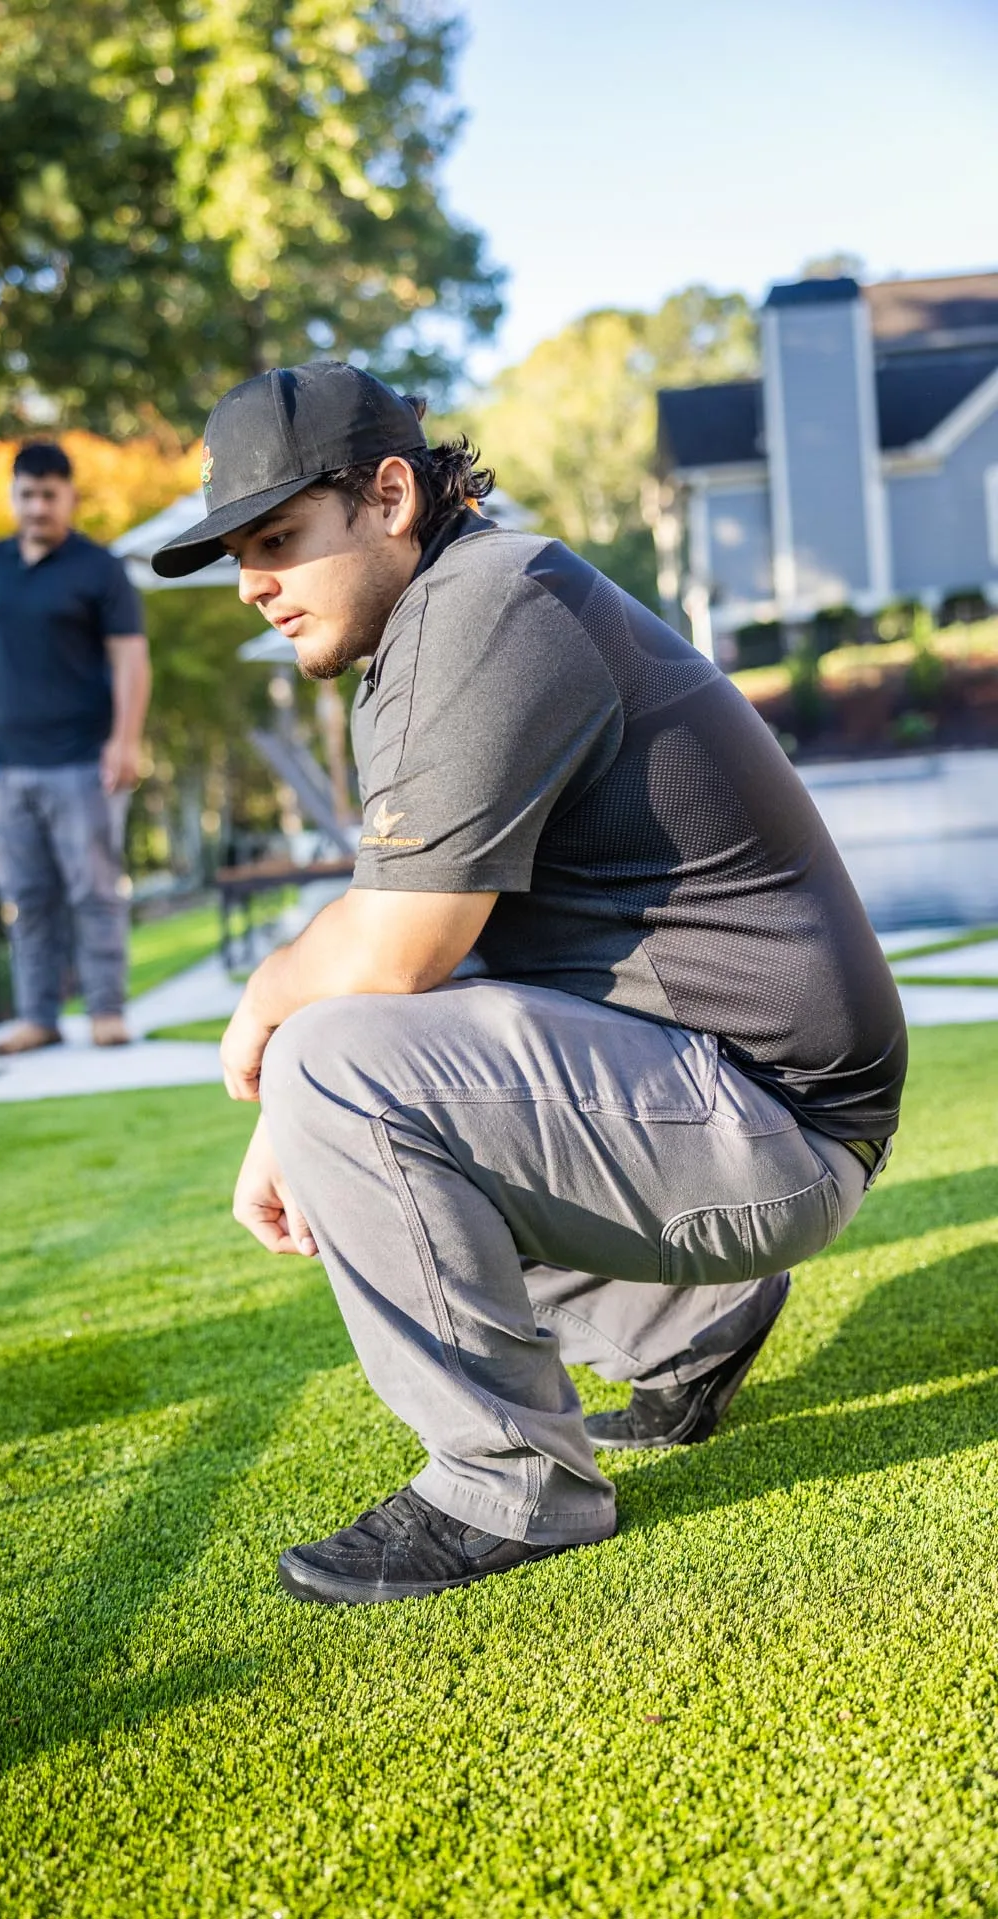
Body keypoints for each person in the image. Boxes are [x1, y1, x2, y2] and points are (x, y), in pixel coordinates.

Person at [151, 362, 908, 1607]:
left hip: (775, 1118)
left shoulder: (489, 609)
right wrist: (295, 1109)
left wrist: (268, 1019)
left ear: (388, 496)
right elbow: (410, 954)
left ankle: (509, 1488)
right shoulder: (431, 629)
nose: (252, 585)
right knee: (335, 1060)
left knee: (332, 1059)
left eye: (278, 538)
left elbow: (396, 950)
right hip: (723, 1101)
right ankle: (690, 1326)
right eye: (240, 551)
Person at [0, 441, 150, 1053]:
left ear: (70, 497)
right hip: (8, 766)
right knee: (26, 897)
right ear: (13, 497)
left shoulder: (99, 567)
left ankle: (106, 1011)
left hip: (84, 760)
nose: (37, 506)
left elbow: (131, 657)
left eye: (49, 494)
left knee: (93, 890)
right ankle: (38, 1017)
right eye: (27, 494)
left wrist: (125, 739)